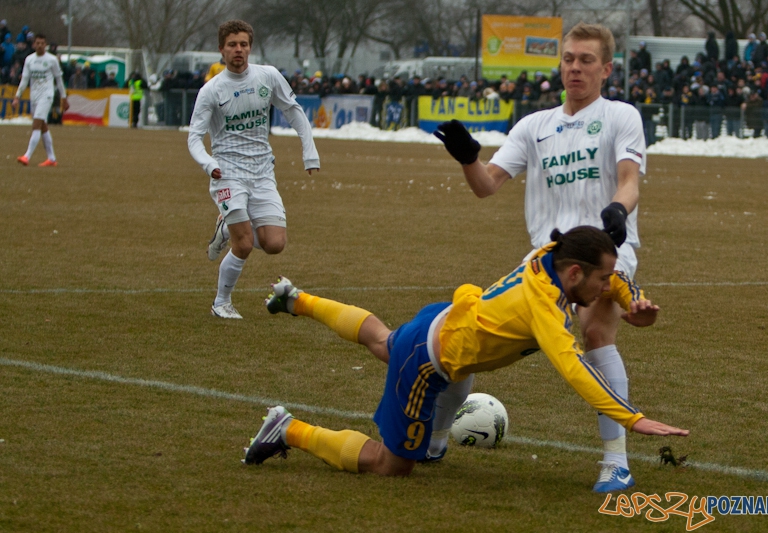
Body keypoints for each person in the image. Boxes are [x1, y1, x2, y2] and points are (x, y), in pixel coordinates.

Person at [242, 226, 689, 482]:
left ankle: (297, 299)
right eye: (600, 278)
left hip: (446, 320)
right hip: (428, 364)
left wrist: (632, 301)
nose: (605, 285)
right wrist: (631, 417)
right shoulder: (545, 309)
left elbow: (611, 276)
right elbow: (573, 369)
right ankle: (290, 430)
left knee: (382, 340)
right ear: (575, 273)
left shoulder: (551, 254)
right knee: (392, 465)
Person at [432, 22, 652, 492]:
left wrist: (618, 208)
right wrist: (468, 157)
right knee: (468, 335)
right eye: (569, 58)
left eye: (586, 60)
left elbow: (629, 177)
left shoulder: (621, 116)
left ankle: (616, 462)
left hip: (605, 251)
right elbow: (487, 185)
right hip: (546, 262)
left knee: (595, 330)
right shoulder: (535, 126)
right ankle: (432, 441)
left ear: (606, 69)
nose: (575, 67)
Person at [187, 20, 319, 319]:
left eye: (243, 44)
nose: (238, 50)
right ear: (221, 49)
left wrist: (309, 153)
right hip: (227, 173)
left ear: (250, 47)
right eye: (232, 45)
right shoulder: (211, 91)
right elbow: (194, 138)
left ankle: (227, 227)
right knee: (244, 244)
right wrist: (210, 164)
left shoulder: (267, 76)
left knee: (275, 244)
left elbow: (294, 111)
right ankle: (221, 302)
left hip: (262, 171)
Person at [12, 34, 68, 167]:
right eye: (37, 43)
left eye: (42, 43)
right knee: (43, 126)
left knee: (36, 125)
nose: (40, 45)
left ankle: (27, 156)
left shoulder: (52, 60)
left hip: (47, 95)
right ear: (34, 44)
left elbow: (59, 80)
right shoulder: (29, 60)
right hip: (34, 96)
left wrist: (63, 97)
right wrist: (17, 96)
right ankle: (52, 159)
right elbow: (25, 79)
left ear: (46, 45)